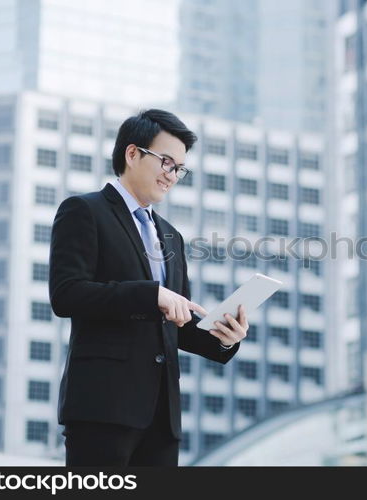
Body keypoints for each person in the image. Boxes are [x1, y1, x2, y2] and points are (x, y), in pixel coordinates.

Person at [48, 109, 248, 466]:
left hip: (161, 417)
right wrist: (150, 293)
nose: (172, 176)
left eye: (179, 169)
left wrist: (223, 337)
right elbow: (67, 293)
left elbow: (176, 327)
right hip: (103, 409)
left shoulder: (172, 235)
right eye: (166, 162)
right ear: (132, 153)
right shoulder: (84, 210)